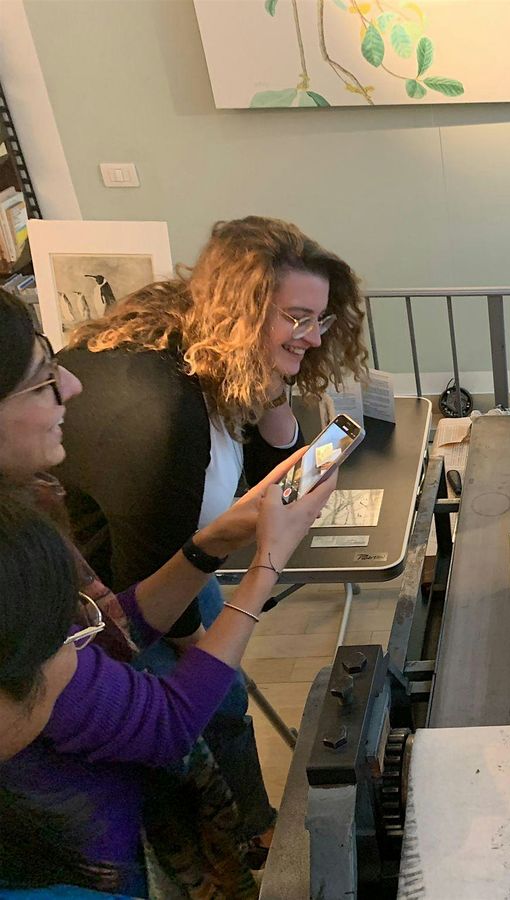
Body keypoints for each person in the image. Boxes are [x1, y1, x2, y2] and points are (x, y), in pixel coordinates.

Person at [52, 216, 369, 860]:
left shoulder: (205, 348)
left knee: (221, 694)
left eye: (320, 320)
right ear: (243, 310)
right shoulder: (164, 414)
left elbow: (259, 475)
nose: (312, 337)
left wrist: (277, 390)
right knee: (206, 712)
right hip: (110, 610)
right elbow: (147, 594)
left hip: (174, 559)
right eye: (297, 318)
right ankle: (236, 847)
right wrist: (220, 636)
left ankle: (250, 823)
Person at [0, 287, 323, 895]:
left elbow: (107, 630)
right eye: (42, 380)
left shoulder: (30, 511)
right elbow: (167, 720)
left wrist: (222, 536)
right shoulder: (15, 563)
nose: (72, 386)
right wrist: (268, 563)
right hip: (85, 867)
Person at [0, 470, 334, 897]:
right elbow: (169, 721)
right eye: (62, 639)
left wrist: (213, 541)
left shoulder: (23, 615)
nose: (83, 646)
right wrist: (267, 564)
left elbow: (115, 634)